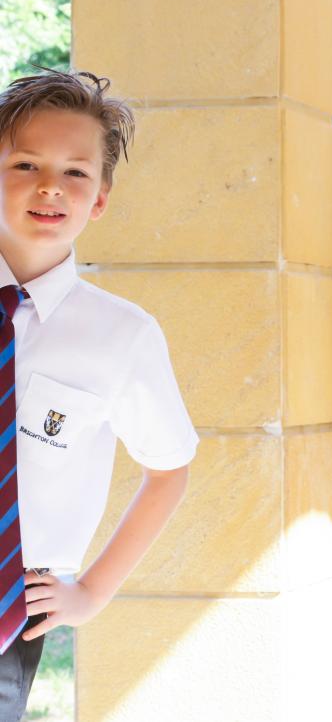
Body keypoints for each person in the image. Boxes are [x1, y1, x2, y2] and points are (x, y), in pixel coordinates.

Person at [0, 67, 199, 719]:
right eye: (25, 163)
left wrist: (91, 592)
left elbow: (168, 469)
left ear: (101, 198)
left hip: (11, 612)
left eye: (76, 172)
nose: (50, 186)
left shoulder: (122, 336)